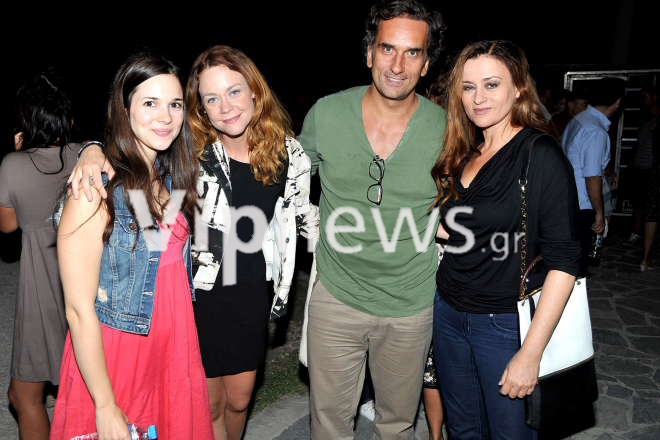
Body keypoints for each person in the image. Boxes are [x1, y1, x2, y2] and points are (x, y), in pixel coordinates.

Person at [67, 45, 317, 440]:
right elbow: (134, 156)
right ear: (201, 108)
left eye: (234, 91)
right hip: (197, 296)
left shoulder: (289, 155)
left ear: (255, 91)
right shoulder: (189, 155)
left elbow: (304, 215)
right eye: (211, 98)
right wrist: (90, 151)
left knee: (240, 400)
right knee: (205, 404)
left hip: (251, 291)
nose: (226, 107)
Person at [298, 1, 447, 438]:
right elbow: (283, 178)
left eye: (412, 52)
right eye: (387, 49)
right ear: (369, 53)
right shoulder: (327, 113)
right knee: (328, 423)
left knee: (397, 424)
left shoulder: (447, 127)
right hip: (336, 295)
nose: (397, 65)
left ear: (426, 64)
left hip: (410, 303)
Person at [50, 53, 214, 440]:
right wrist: (105, 405)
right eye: (150, 103)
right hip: (118, 357)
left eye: (175, 104)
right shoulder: (95, 190)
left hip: (174, 352)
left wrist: (92, 146)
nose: (165, 117)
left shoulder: (172, 177)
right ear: (124, 110)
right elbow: (77, 310)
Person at [431, 40, 581, 438]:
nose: (478, 98)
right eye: (468, 87)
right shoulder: (466, 152)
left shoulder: (539, 154)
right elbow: (463, 229)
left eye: (491, 84)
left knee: (509, 433)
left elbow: (565, 261)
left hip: (503, 324)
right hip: (447, 312)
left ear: (518, 88)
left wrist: (530, 353)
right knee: (462, 428)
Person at [0, 73, 76, 439]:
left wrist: (18, 155)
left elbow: (7, 225)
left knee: (23, 395)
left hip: (41, 287)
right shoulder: (84, 155)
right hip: (83, 281)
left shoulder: (13, 165)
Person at [563, 76, 625, 276]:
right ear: (617, 102)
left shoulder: (578, 120)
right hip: (582, 203)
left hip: (566, 197)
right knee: (578, 262)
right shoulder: (595, 131)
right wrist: (599, 212)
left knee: (568, 259)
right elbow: (592, 176)